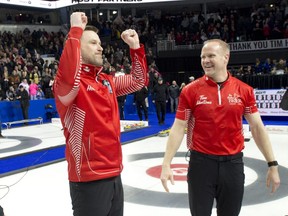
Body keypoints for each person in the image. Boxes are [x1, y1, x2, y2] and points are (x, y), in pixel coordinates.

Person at [160, 39, 280, 216]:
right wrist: (166, 164)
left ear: (226, 57)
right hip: (201, 165)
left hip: (233, 165)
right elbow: (179, 127)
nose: (205, 61)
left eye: (211, 56)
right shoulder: (191, 90)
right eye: (203, 57)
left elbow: (257, 127)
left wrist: (272, 165)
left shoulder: (244, 90)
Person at [53, 12, 148, 216]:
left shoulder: (106, 81)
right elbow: (69, 76)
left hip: (115, 172)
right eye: (93, 43)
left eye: (99, 43)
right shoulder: (69, 86)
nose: (101, 47)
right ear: (77, 47)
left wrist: (135, 48)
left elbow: (138, 81)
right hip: (88, 178)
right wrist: (75, 30)